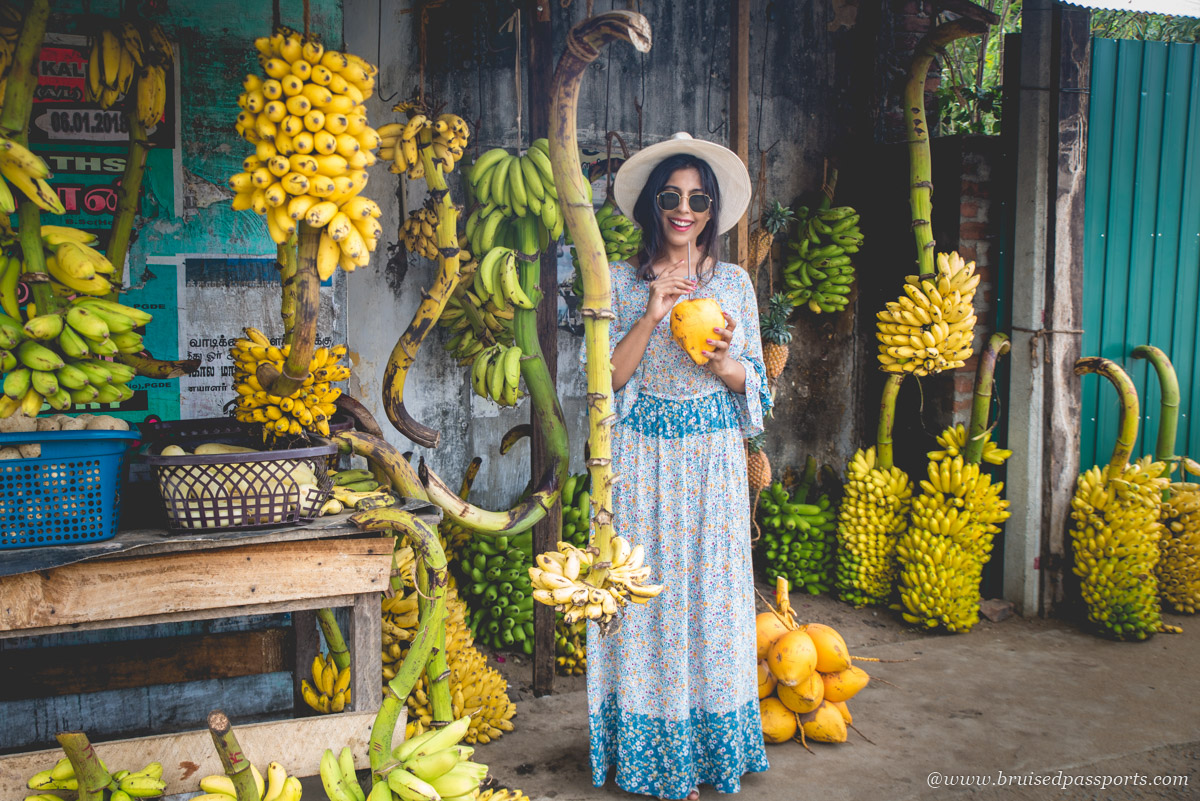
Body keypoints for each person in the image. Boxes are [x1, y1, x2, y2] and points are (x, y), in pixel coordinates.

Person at [583, 133, 772, 800]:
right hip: (644, 462)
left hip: (714, 462)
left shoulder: (734, 284)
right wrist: (655, 312)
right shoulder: (623, 282)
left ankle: (710, 754)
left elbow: (755, 386)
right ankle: (659, 761)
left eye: (696, 197)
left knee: (712, 607)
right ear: (653, 207)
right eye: (671, 196)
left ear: (712, 206)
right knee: (649, 608)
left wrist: (724, 364)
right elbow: (605, 381)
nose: (683, 208)